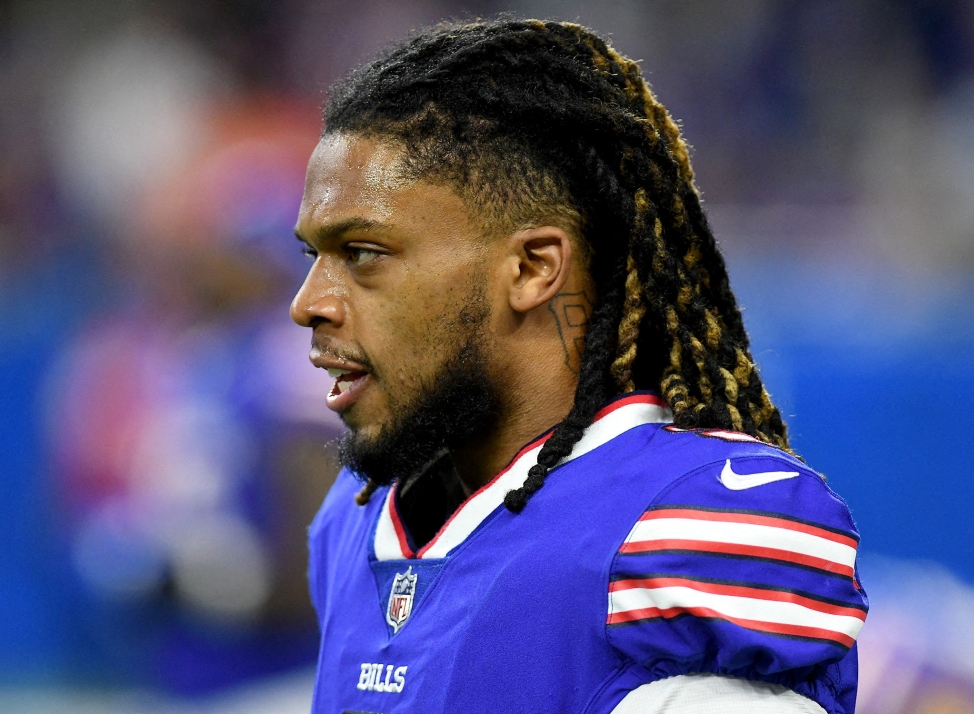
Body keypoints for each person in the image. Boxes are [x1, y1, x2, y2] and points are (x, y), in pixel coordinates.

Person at [291, 19, 867, 714]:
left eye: (363, 252)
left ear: (532, 268)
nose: (309, 303)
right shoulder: (355, 521)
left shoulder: (685, 524)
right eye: (312, 256)